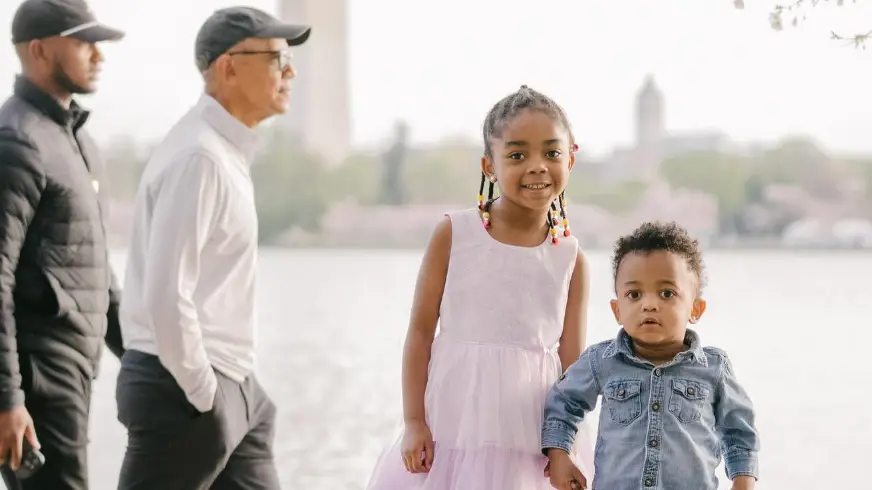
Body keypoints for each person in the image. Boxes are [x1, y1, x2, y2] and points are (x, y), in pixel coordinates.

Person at [114, 6, 310, 490]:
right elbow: (166, 293)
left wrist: (236, 392)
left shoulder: (223, 152)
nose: (290, 71)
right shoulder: (198, 157)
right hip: (183, 389)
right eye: (276, 57)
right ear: (227, 68)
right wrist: (205, 396)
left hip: (232, 386)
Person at [366, 85, 595, 490]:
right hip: (453, 428)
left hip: (532, 437)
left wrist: (565, 444)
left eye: (552, 153)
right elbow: (420, 334)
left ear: (571, 158)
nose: (537, 166)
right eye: (517, 155)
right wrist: (414, 422)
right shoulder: (454, 234)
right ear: (489, 165)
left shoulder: (571, 258)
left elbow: (572, 364)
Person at [0, 0, 126, 489]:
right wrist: (9, 399)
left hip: (74, 368)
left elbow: (95, 270)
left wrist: (141, 358)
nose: (99, 55)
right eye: (84, 41)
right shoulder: (17, 142)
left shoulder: (75, 141)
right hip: (38, 375)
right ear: (38, 50)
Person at [541, 222, 760, 490]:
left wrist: (743, 480)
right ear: (617, 309)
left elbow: (739, 431)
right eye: (634, 294)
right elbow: (564, 402)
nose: (649, 304)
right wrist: (559, 453)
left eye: (667, 293)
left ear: (695, 309)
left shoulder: (714, 369)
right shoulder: (601, 362)